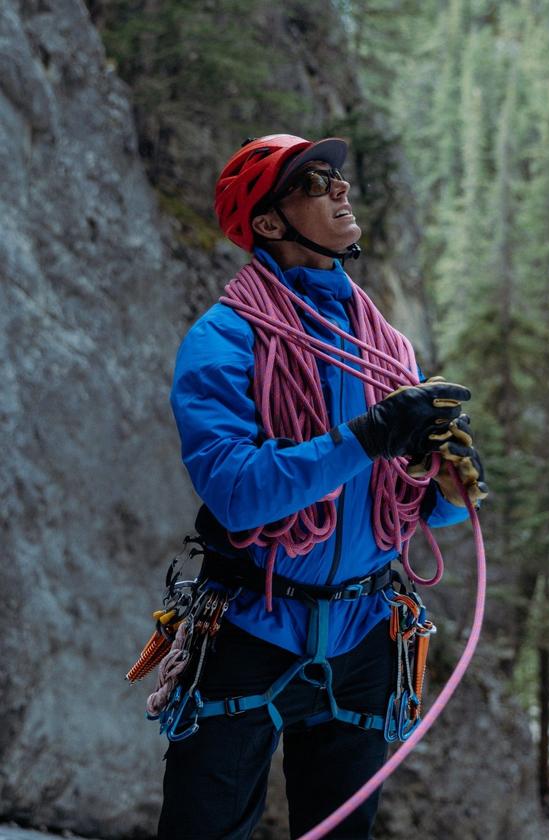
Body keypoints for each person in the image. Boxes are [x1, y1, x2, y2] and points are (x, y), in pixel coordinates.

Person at [157, 134, 487, 840]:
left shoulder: (384, 345)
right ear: (269, 222)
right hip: (249, 624)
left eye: (337, 178)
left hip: (366, 632)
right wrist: (367, 437)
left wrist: (447, 495)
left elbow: (395, 500)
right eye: (314, 182)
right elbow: (237, 493)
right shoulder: (225, 340)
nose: (340, 189)